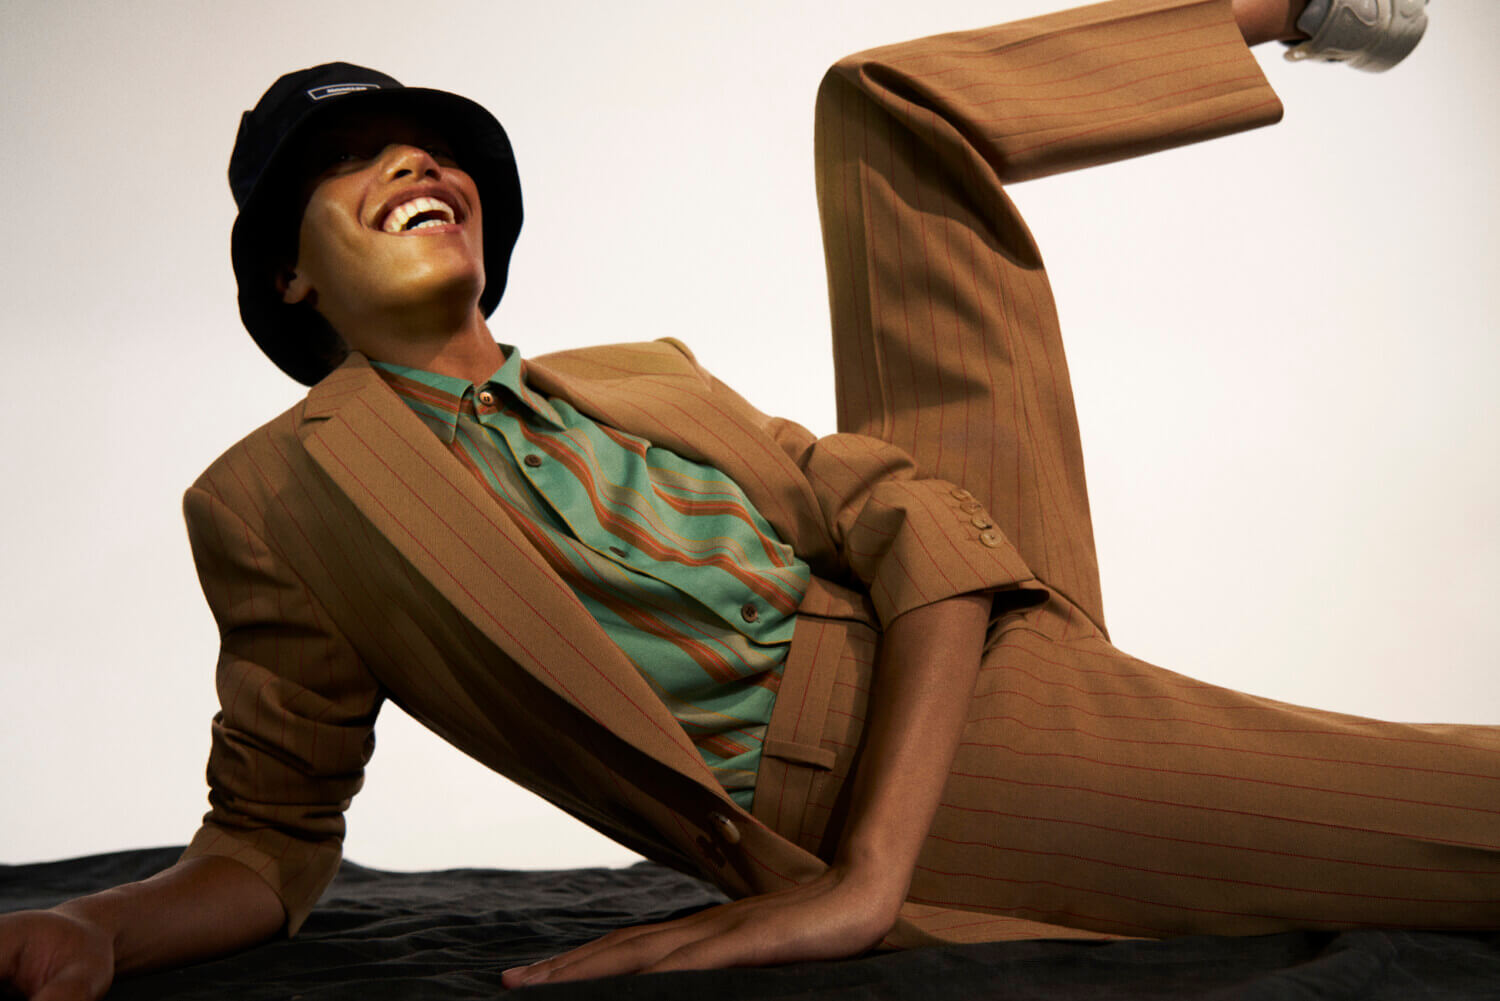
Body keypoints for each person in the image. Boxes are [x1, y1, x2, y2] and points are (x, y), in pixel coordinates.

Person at [2, 0, 1493, 996]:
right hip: (926, 737)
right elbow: (263, 842)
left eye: (424, 140)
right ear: (287, 273)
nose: (409, 156)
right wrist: (93, 926)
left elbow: (898, 509)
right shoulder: (278, 498)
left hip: (951, 580)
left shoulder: (636, 374)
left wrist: (864, 889)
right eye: (343, 165)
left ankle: (1288, 3)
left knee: (882, 108)